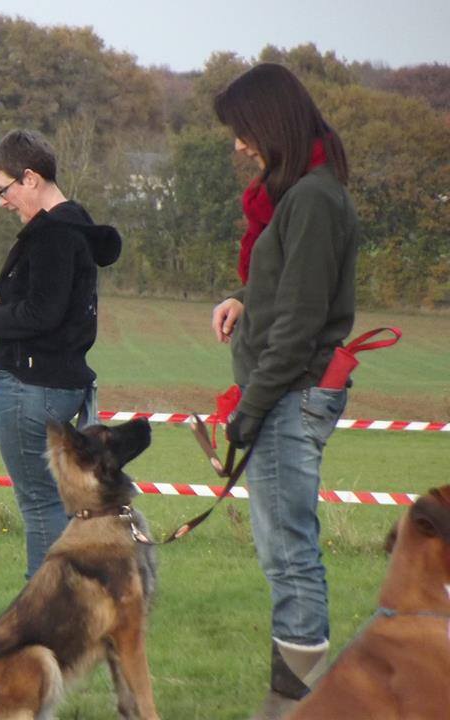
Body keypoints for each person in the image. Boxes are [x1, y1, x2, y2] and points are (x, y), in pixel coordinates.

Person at [210, 64, 358, 720]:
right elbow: (286, 293)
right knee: (280, 547)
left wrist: (247, 409)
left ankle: (296, 704)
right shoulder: (301, 197)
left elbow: (299, 326)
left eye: (243, 130)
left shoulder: (314, 200)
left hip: (289, 393)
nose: (239, 145)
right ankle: (299, 698)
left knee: (288, 550)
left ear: (269, 123)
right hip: (285, 390)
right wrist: (244, 300)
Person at [0, 129, 122, 579]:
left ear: (30, 178)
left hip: (32, 389)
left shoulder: (52, 236)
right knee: (53, 502)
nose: (2, 202)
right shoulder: (75, 226)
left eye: (4, 190)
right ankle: (68, 597)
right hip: (55, 383)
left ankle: (46, 607)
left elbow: (43, 313)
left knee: (40, 502)